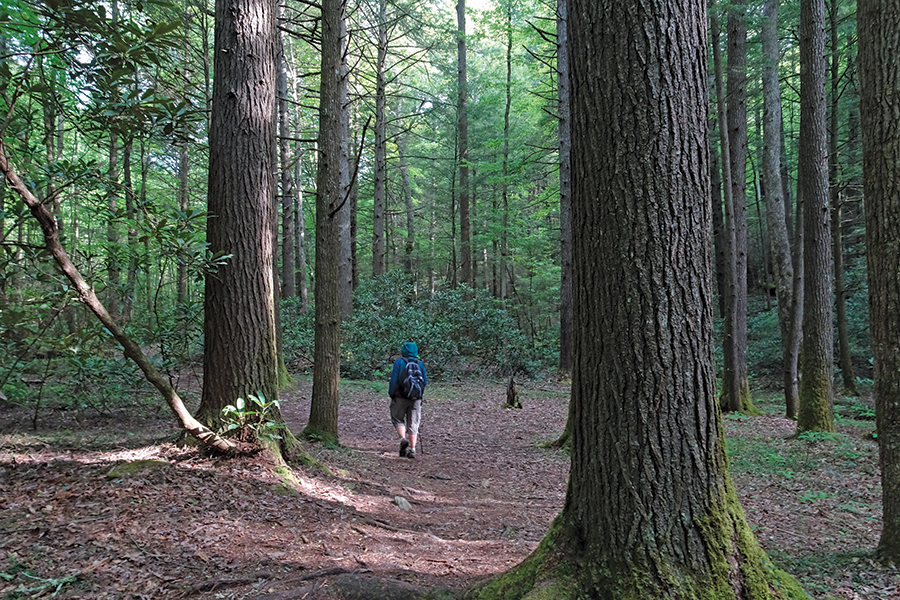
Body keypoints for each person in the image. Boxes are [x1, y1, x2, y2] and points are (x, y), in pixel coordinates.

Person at [388, 342, 427, 459]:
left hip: (400, 397)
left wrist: (392, 394)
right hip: (416, 398)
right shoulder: (419, 363)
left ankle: (402, 439)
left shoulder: (399, 362)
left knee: (397, 418)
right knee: (413, 423)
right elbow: (424, 381)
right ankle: (413, 449)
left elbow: (394, 380)